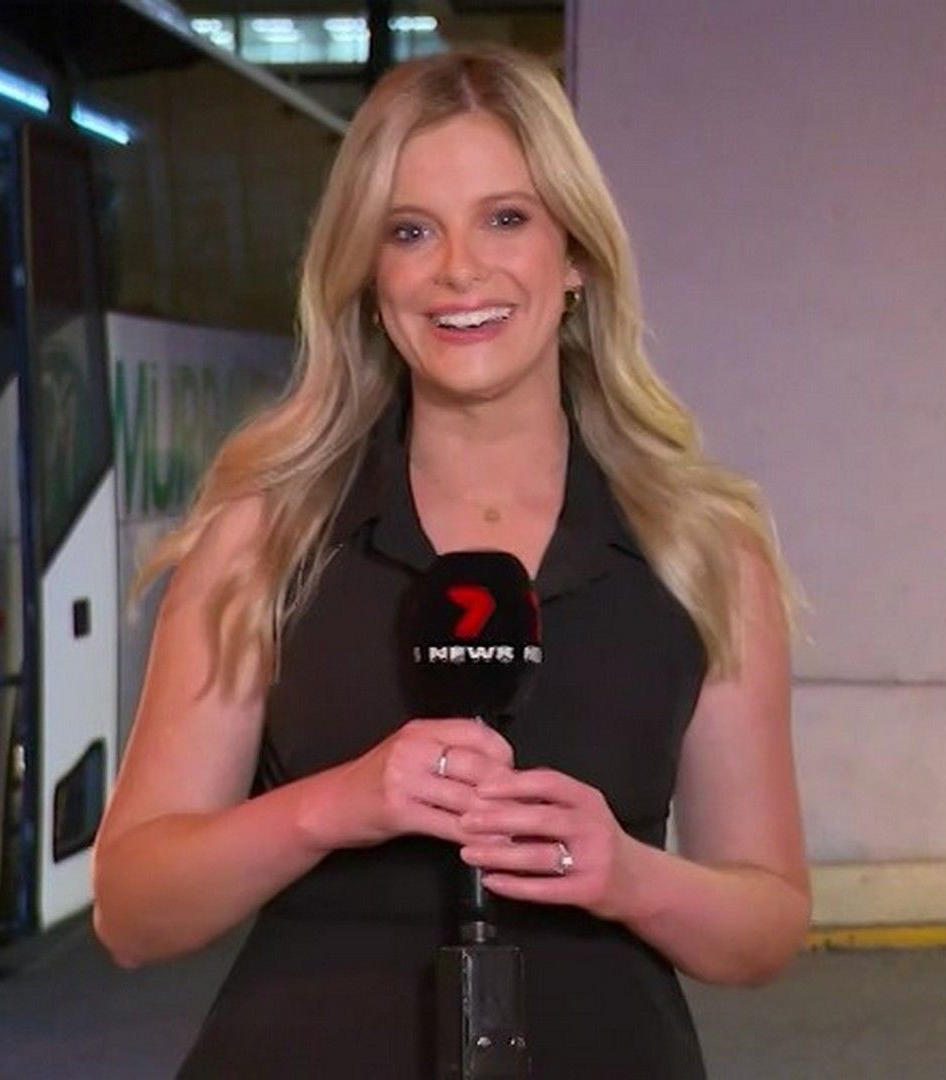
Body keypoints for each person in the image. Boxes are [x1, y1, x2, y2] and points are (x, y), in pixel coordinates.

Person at [91, 46, 808, 1079]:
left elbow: (767, 926)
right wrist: (333, 806)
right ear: (368, 275)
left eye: (506, 219)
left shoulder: (702, 552)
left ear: (575, 257)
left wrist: (629, 877)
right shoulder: (265, 540)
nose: (459, 270)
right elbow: (132, 913)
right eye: (411, 231)